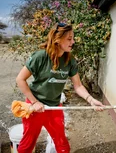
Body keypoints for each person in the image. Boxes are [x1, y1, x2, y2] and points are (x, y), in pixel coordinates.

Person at [16, 22, 105, 153]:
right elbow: (20, 79)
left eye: (73, 38)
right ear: (57, 39)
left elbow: (78, 85)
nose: (73, 42)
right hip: (35, 107)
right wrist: (35, 102)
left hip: (54, 108)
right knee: (27, 144)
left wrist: (91, 100)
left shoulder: (70, 61)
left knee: (62, 145)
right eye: (69, 38)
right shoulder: (40, 56)